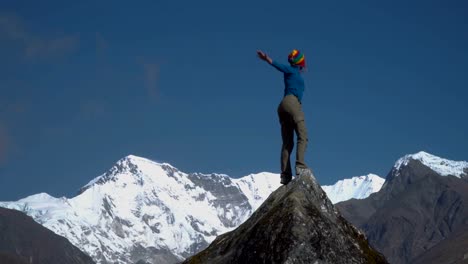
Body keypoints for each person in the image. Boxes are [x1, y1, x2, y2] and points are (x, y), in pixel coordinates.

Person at [257, 49, 310, 185]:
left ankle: (285, 176)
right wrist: (267, 58)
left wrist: (267, 59)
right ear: (300, 63)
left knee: (287, 143)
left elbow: (280, 66)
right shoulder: (293, 71)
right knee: (303, 136)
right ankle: (300, 166)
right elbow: (277, 65)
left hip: (283, 107)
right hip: (292, 104)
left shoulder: (292, 72)